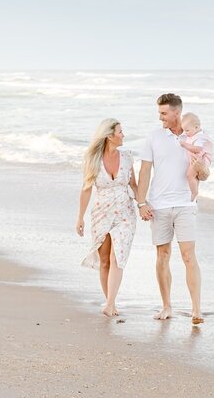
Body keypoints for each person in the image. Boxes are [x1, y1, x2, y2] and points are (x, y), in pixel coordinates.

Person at [136, 93, 204, 324]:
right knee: (162, 255)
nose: (160, 118)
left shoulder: (195, 138)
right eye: (159, 113)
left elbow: (205, 174)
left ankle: (196, 310)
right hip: (159, 206)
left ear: (177, 112)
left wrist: (202, 167)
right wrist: (141, 202)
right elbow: (145, 171)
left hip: (186, 204)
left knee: (188, 256)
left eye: (164, 113)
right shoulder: (154, 137)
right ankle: (166, 306)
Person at [76, 118, 140, 318]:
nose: (123, 135)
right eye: (120, 132)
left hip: (125, 213)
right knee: (104, 260)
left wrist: (144, 204)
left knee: (117, 257)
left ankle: (110, 304)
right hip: (101, 213)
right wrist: (80, 218)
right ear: (109, 136)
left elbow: (134, 186)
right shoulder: (92, 159)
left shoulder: (128, 157)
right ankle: (109, 302)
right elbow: (86, 189)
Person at [177, 112, 213, 201]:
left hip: (200, 161)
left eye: (187, 130)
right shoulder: (194, 133)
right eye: (184, 130)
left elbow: (197, 149)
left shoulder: (199, 137)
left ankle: (194, 192)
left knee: (189, 175)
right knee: (194, 176)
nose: (185, 133)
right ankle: (195, 190)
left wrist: (184, 144)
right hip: (197, 160)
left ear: (196, 127)